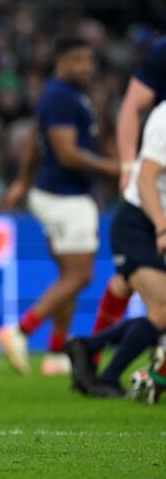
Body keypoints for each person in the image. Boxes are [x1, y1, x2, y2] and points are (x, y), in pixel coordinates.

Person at [0, 36, 119, 375]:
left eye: (89, 59)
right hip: (65, 197)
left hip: (52, 193)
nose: (86, 66)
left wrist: (22, 181)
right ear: (61, 61)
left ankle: (56, 353)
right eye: (77, 58)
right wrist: (115, 168)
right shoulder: (62, 96)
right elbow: (66, 153)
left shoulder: (60, 95)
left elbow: (36, 143)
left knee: (68, 275)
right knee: (81, 275)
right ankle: (19, 331)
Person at [65, 100, 166, 399]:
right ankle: (107, 376)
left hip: (152, 223)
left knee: (127, 293)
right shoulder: (164, 118)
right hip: (139, 223)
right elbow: (145, 178)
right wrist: (161, 226)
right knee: (161, 311)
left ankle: (86, 348)